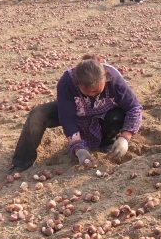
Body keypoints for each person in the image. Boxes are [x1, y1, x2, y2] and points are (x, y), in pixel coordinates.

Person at [10, 54, 143, 171]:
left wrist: (125, 137)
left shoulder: (113, 78)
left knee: (116, 117)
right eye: (88, 92)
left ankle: (107, 142)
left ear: (105, 80)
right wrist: (78, 147)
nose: (92, 95)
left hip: (106, 113)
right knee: (38, 114)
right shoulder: (67, 82)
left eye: (96, 91)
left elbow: (134, 108)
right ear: (78, 84)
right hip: (79, 111)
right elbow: (67, 117)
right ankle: (21, 163)